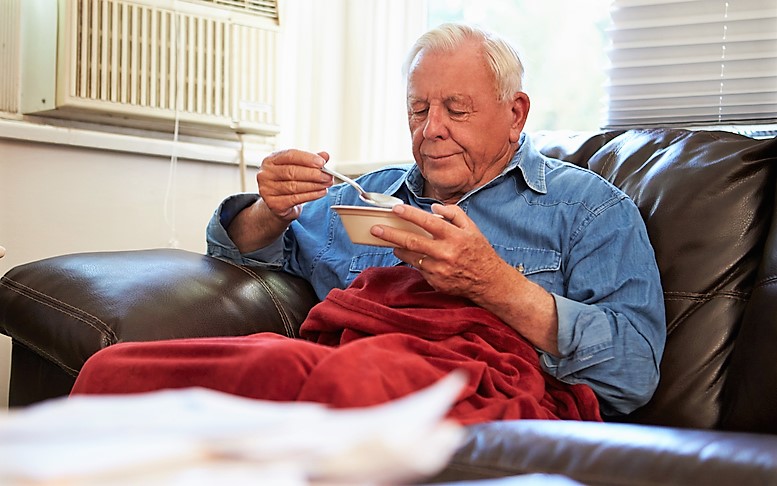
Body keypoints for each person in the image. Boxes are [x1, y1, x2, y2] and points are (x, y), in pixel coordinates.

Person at [76, 23, 665, 419]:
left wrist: (494, 283)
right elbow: (236, 256)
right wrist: (269, 210)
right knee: (117, 369)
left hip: (453, 384)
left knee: (349, 384)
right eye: (418, 108)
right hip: (340, 362)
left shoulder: (591, 210)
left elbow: (634, 373)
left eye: (456, 110)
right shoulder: (368, 198)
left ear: (516, 114)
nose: (431, 128)